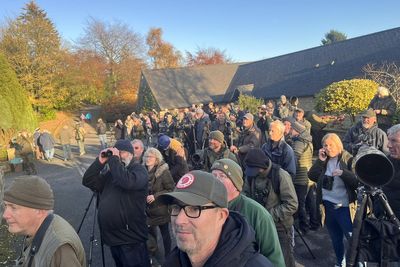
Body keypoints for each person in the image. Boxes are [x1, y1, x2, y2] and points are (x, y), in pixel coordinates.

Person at [158, 170, 274, 267]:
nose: (179, 220)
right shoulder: (172, 261)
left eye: (194, 209)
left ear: (221, 216)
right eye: (176, 208)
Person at [82, 139, 150, 267]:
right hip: (113, 238)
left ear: (130, 154)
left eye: (122, 152)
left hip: (131, 239)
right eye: (115, 152)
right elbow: (88, 180)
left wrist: (114, 159)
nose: (118, 156)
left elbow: (126, 182)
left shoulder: (139, 170)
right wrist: (100, 162)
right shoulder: (111, 174)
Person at [211, 159, 285, 267]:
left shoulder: (257, 213)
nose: (216, 180)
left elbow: (273, 256)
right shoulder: (206, 208)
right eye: (213, 175)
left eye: (222, 176)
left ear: (235, 183)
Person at [3, 175, 86, 266]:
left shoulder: (59, 248)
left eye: (13, 208)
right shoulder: (40, 227)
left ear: (39, 211)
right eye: (6, 206)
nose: (5, 215)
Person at [308, 133, 358, 267]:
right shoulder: (324, 160)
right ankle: (340, 262)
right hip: (328, 207)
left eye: (331, 145)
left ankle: (358, 264)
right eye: (325, 145)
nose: (328, 148)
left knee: (353, 240)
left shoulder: (348, 159)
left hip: (345, 208)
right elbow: (312, 176)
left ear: (338, 145)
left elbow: (357, 182)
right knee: (336, 239)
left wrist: (344, 174)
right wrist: (320, 161)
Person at [243, 148, 298, 267]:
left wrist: (268, 216)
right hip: (257, 225)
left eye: (255, 170)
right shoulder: (251, 175)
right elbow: (245, 194)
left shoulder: (281, 176)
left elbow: (292, 204)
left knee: (284, 260)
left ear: (262, 166)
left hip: (279, 227)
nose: (252, 173)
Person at [143, 148, 175, 264]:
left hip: (161, 209)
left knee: (165, 234)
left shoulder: (163, 171)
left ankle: (168, 257)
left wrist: (155, 196)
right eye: (146, 156)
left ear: (156, 159)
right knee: (151, 235)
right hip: (148, 210)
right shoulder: (142, 170)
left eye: (150, 157)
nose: (147, 159)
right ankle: (153, 256)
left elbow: (171, 189)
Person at [289, 121, 313, 234]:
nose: (290, 132)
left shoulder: (299, 143)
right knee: (309, 202)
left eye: (292, 130)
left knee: (299, 204)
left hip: (300, 178)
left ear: (296, 131)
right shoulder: (307, 141)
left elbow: (294, 158)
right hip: (308, 177)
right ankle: (314, 223)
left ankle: (304, 228)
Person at [383, 124, 400, 219]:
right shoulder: (388, 160)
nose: (388, 145)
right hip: (386, 221)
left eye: (394, 141)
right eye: (388, 140)